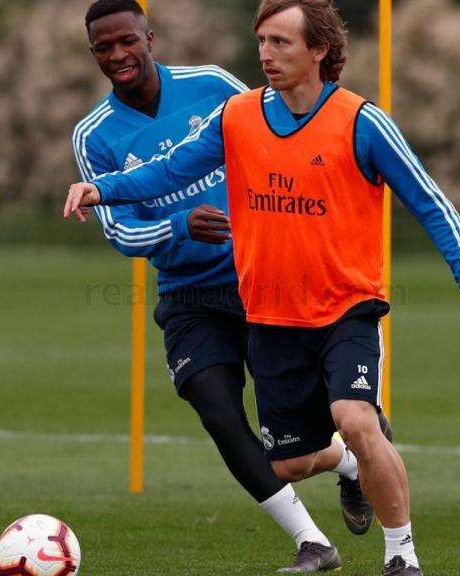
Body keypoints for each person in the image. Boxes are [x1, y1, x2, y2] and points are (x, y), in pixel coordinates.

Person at [65, 1, 460, 574]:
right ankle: (349, 467)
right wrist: (101, 191)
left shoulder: (357, 120)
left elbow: (429, 201)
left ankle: (401, 558)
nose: (265, 55)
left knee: (355, 417)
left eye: (280, 43)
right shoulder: (236, 115)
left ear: (319, 50)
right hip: (249, 303)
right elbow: (170, 170)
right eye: (261, 42)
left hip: (340, 301)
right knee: (286, 460)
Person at [73, 1, 378, 572]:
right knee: (215, 408)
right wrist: (177, 227)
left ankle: (350, 464)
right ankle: (311, 542)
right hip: (189, 294)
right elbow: (119, 229)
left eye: (126, 42)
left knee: (300, 438)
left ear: (149, 38)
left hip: (260, 278)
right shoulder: (94, 134)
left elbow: (274, 130)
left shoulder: (212, 85)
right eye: (103, 48)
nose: (117, 55)